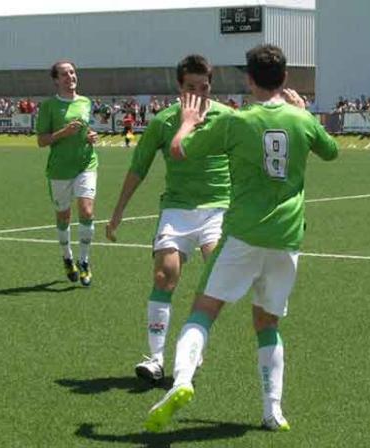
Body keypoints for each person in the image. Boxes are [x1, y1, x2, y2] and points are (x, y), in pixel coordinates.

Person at [143, 44, 339, 433]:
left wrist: (185, 121)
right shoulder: (301, 120)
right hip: (286, 239)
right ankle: (272, 411)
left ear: (249, 80)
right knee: (268, 324)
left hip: (244, 235)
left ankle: (181, 381)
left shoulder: (237, 121)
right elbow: (331, 150)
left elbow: (181, 150)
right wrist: (302, 113)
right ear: (284, 79)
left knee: (203, 311)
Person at [105, 55, 233, 383]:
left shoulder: (228, 118)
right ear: (179, 87)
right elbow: (139, 168)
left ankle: (193, 341)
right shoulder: (164, 122)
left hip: (217, 209)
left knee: (215, 272)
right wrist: (118, 213)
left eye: (204, 88)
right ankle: (156, 358)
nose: (198, 94)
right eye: (191, 87)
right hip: (176, 209)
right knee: (164, 275)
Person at [36, 60, 99, 286]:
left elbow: (87, 128)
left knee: (87, 210)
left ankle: (84, 262)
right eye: (64, 74)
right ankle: (67, 257)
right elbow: (41, 141)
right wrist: (63, 133)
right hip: (60, 170)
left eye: (72, 72)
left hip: (86, 164)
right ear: (56, 80)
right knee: (64, 216)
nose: (70, 77)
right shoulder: (49, 106)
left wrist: (91, 135)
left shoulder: (85, 102)